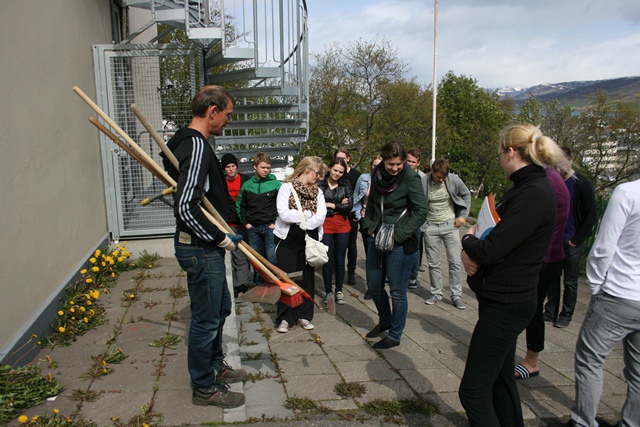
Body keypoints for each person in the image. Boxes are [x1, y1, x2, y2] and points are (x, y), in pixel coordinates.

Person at [459, 124, 567, 426]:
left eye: (499, 154)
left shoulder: (534, 192)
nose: (499, 161)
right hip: (502, 297)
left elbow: (491, 249)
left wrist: (467, 242)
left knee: (473, 392)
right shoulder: (526, 188)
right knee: (502, 380)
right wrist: (473, 249)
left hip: (508, 302)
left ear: (510, 152)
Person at [163, 85, 246, 408]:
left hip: (202, 247)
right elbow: (185, 206)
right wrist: (217, 237)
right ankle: (203, 387)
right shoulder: (196, 146)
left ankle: (214, 366)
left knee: (221, 308)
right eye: (227, 115)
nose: (228, 121)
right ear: (212, 111)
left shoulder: (184, 141)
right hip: (200, 247)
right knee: (206, 319)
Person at [567, 178, 640, 427]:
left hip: (619, 293)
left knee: (590, 360)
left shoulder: (628, 192)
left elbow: (604, 246)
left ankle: (583, 422)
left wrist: (597, 286)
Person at [363, 141, 427, 349]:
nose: (395, 168)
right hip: (377, 235)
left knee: (397, 291)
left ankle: (395, 334)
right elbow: (372, 201)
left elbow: (420, 211)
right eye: (391, 164)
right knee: (374, 284)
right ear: (383, 160)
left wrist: (399, 234)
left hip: (400, 240)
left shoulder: (410, 177)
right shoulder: (377, 173)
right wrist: (369, 225)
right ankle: (385, 320)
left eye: (399, 164)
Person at [515, 167, 570, 379]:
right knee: (531, 307)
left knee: (531, 307)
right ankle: (529, 357)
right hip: (548, 256)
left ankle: (531, 361)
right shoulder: (550, 178)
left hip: (544, 258)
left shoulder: (544, 182)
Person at [545, 146, 597, 328]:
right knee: (552, 277)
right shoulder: (554, 182)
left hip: (573, 239)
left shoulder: (581, 183)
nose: (558, 169)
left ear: (570, 161)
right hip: (555, 238)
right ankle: (550, 310)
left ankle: (566, 314)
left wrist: (576, 240)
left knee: (570, 280)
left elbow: (591, 215)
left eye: (561, 165)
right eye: (555, 165)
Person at [273, 157, 327, 333]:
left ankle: (304, 315)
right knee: (287, 279)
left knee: (307, 278)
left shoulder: (318, 192)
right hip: (287, 241)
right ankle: (285, 317)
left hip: (309, 242)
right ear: (306, 170)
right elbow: (283, 214)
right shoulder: (286, 188)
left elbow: (320, 216)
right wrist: (306, 215)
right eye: (316, 173)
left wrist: (305, 222)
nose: (318, 177)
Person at [422, 158, 471, 309]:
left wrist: (463, 215)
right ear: (432, 172)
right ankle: (436, 293)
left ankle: (456, 295)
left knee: (455, 261)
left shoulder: (453, 180)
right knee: (433, 263)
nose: (441, 180)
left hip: (450, 224)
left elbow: (466, 195)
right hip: (430, 226)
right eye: (438, 177)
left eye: (443, 177)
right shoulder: (424, 182)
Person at [236, 152, 281, 284]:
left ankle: (275, 284)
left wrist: (275, 222)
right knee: (257, 259)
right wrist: (246, 223)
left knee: (272, 258)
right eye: (263, 167)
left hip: (270, 227)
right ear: (255, 167)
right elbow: (240, 205)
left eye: (268, 168)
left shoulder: (276, 184)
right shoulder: (247, 185)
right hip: (253, 228)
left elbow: (283, 205)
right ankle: (260, 285)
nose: (266, 170)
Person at [318, 158, 353, 305]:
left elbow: (349, 206)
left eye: (341, 172)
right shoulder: (320, 184)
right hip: (325, 222)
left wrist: (332, 205)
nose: (337, 174)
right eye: (335, 170)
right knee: (327, 259)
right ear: (330, 168)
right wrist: (338, 204)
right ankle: (328, 291)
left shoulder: (346, 184)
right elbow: (317, 204)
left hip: (342, 223)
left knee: (340, 259)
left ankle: (339, 290)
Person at [352, 155, 382, 300]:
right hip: (367, 222)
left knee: (383, 257)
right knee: (371, 256)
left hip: (383, 223)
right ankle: (372, 287)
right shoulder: (364, 179)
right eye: (374, 164)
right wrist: (360, 217)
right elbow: (356, 198)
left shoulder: (389, 180)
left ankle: (380, 284)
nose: (377, 167)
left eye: (380, 164)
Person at [221, 153, 251, 298]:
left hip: (248, 224)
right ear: (224, 169)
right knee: (239, 256)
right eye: (228, 167)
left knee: (254, 254)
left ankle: (258, 282)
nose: (231, 169)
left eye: (233, 166)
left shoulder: (246, 181)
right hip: (231, 225)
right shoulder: (221, 184)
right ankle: (241, 286)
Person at [334, 148, 361, 286]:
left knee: (352, 246)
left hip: (351, 216)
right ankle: (335, 271)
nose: (341, 161)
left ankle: (351, 273)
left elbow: (359, 196)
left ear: (348, 159)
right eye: (338, 158)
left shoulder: (356, 175)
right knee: (337, 246)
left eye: (343, 158)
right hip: (337, 215)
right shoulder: (333, 175)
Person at [406, 148, 427, 288]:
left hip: (416, 218)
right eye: (408, 160)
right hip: (402, 217)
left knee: (415, 248)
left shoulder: (424, 178)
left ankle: (413, 276)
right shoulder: (399, 174)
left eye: (413, 162)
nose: (410, 164)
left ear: (418, 163)